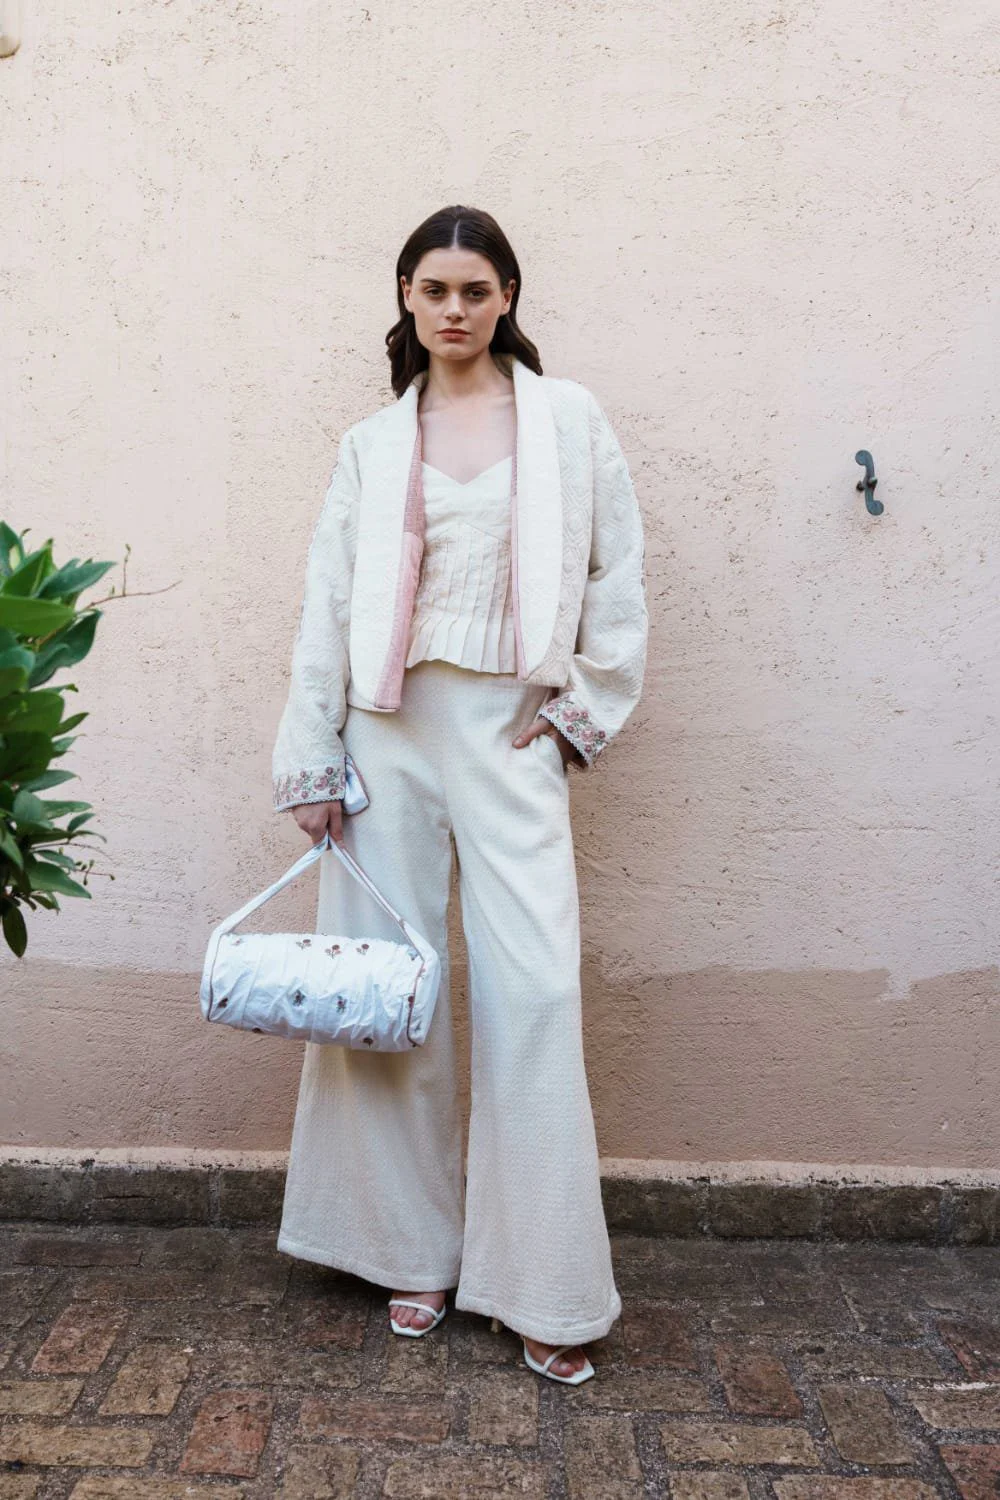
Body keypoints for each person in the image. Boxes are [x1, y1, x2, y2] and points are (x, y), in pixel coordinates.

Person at [271, 204, 648, 1385]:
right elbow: (329, 597)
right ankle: (408, 1252)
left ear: (506, 298)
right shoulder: (372, 442)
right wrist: (314, 755)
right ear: (405, 296)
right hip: (384, 736)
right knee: (390, 992)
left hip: (509, 731)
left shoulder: (567, 419)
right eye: (432, 289)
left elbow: (618, 577)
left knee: (533, 992)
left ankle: (544, 1284)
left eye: (474, 290)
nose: (452, 309)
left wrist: (577, 711)